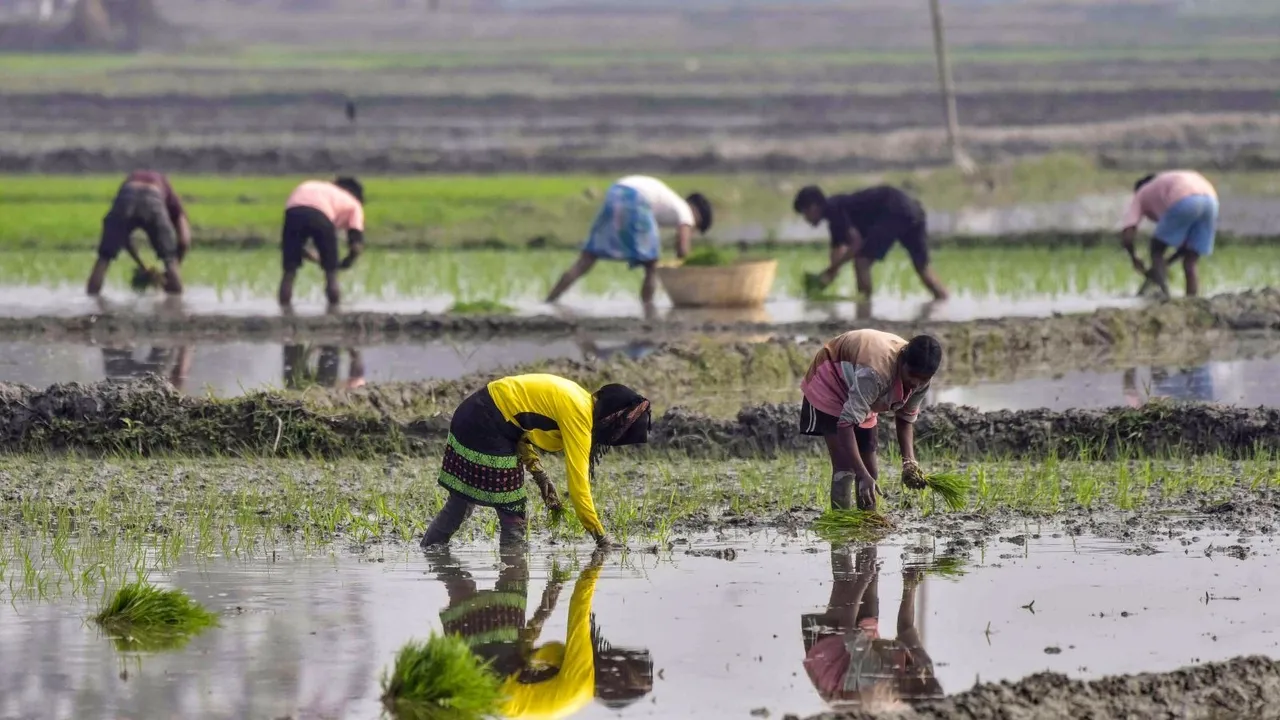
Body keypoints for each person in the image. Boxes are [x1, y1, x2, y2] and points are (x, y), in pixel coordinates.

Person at [419, 374, 651, 549]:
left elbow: (521, 426)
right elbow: (579, 486)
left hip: (474, 412)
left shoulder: (578, 398)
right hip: (485, 420)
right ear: (610, 417)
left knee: (460, 503)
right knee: (512, 509)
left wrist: (540, 476)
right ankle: (512, 574)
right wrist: (601, 536)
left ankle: (430, 551)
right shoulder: (579, 415)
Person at [799, 330, 942, 510]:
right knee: (845, 468)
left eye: (923, 380)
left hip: (860, 387)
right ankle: (841, 526)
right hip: (832, 378)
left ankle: (868, 524)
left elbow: (905, 418)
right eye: (912, 375)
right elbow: (845, 424)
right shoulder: (875, 373)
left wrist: (909, 462)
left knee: (871, 472)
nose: (916, 383)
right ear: (902, 360)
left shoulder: (921, 380)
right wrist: (861, 473)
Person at [801, 544, 943, 711]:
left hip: (835, 672)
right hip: (863, 653)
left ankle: (839, 536)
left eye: (916, 679)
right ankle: (866, 529)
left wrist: (862, 580)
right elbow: (906, 627)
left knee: (847, 583)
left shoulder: (877, 679)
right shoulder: (924, 667)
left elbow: (846, 628)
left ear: (904, 691)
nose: (920, 672)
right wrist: (909, 585)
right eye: (926, 674)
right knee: (871, 577)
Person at [546, 176, 712, 306]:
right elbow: (682, 249)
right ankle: (648, 309)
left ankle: (549, 301)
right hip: (636, 199)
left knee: (587, 259)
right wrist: (693, 272)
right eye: (697, 227)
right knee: (652, 265)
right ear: (697, 213)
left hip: (616, 192)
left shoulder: (669, 203)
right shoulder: (685, 211)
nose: (693, 229)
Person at [794, 185, 948, 301]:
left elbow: (855, 243)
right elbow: (837, 255)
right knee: (923, 268)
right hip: (913, 211)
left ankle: (864, 308)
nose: (806, 219)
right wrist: (824, 278)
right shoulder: (835, 216)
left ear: (813, 207)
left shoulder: (834, 210)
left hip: (893, 209)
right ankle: (944, 302)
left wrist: (830, 270)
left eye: (804, 213)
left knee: (861, 262)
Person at [86, 170, 192, 296]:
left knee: (104, 258)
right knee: (170, 262)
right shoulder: (172, 199)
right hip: (154, 198)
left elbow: (122, 236)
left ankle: (92, 305)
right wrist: (171, 269)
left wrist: (143, 266)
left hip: (126, 196)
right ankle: (176, 306)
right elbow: (184, 240)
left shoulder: (131, 179)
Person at [1120, 171, 1219, 297]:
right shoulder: (1163, 187)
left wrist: (1134, 258)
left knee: (1156, 250)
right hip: (1211, 200)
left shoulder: (1141, 193)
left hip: (1184, 198)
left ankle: (1165, 297)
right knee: (1190, 260)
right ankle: (1193, 300)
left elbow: (1128, 234)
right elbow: (1184, 249)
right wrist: (1165, 263)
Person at [278, 176, 366, 308]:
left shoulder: (311, 185)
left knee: (289, 271)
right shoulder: (354, 203)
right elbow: (356, 244)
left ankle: (284, 311)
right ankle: (334, 311)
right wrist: (347, 261)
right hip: (322, 214)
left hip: (293, 211)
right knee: (331, 274)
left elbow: (298, 247)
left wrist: (317, 258)